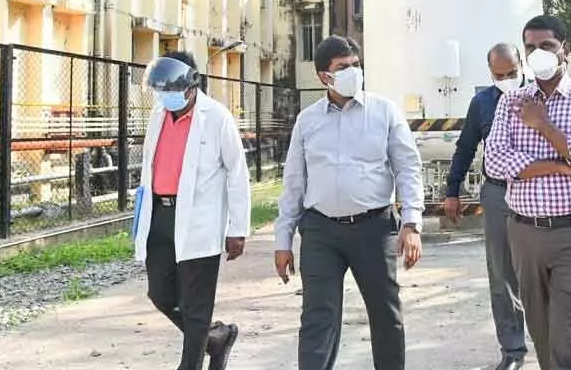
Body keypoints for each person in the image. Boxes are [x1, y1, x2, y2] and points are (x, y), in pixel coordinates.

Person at [274, 35, 424, 370]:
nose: (353, 72)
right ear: (324, 76)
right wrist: (282, 241)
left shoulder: (384, 112)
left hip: (374, 228)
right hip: (321, 232)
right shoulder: (307, 121)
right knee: (317, 317)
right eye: (343, 67)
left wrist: (411, 224)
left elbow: (407, 167)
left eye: (356, 65)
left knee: (385, 313)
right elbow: (294, 183)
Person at [484, 15, 571, 370]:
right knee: (542, 340)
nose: (537, 54)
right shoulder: (512, 102)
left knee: (567, 341)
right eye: (530, 47)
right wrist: (557, 164)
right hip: (525, 234)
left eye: (546, 46)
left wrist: (542, 125)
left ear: (565, 50)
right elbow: (494, 163)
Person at [132, 51, 250, 370]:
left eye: (170, 90)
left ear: (190, 84)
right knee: (160, 294)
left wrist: (237, 229)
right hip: (160, 216)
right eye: (160, 91)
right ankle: (215, 338)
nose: (164, 97)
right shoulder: (158, 115)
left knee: (196, 307)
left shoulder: (216, 117)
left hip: (201, 222)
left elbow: (237, 173)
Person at [444, 43, 528, 370]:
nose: (506, 79)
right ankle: (513, 350)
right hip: (497, 195)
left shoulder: (539, 97)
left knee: (539, 270)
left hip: (538, 193)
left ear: (522, 67)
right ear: (490, 73)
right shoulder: (481, 104)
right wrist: (452, 189)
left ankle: (551, 340)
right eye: (499, 75)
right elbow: (465, 148)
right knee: (501, 274)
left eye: (512, 73)